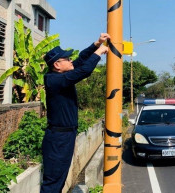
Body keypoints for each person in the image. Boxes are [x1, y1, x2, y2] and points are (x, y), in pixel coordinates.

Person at [41, 33, 110, 193]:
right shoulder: (55, 80)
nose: (71, 60)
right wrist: (98, 53)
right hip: (59, 139)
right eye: (67, 59)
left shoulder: (62, 76)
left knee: (59, 180)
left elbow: (80, 61)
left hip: (65, 137)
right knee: (53, 182)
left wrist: (96, 44)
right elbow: (83, 70)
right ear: (57, 64)